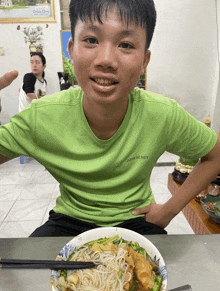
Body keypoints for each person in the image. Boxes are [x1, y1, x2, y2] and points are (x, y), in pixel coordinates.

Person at [0, 0, 220, 237]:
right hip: (69, 220)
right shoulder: (42, 116)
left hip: (136, 218)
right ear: (72, 49)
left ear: (144, 61)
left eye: (125, 44)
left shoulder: (162, 114)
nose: (106, 59)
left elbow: (214, 156)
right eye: (92, 40)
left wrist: (170, 209)